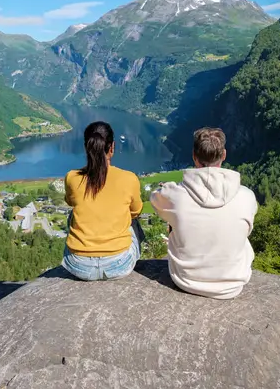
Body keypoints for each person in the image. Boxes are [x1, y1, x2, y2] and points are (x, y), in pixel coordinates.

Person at [150, 127, 257, 299]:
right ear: (224, 155)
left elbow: (154, 199)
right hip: (232, 284)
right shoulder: (247, 197)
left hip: (185, 280)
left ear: (194, 155)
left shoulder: (174, 195)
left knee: (174, 221)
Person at [62, 121, 144, 281]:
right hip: (119, 264)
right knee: (132, 220)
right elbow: (136, 211)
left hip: (78, 265)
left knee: (73, 213)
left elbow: (70, 201)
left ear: (87, 147)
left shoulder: (72, 177)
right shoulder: (129, 178)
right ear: (112, 147)